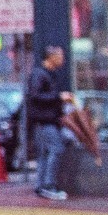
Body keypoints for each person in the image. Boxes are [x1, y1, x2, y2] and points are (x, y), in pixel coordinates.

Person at [26, 45, 73, 202]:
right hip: (44, 120)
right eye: (60, 56)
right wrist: (59, 97)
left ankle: (42, 186)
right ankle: (48, 185)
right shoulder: (40, 74)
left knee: (45, 154)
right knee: (55, 149)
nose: (63, 60)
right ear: (51, 57)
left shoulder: (45, 74)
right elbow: (35, 96)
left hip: (44, 121)